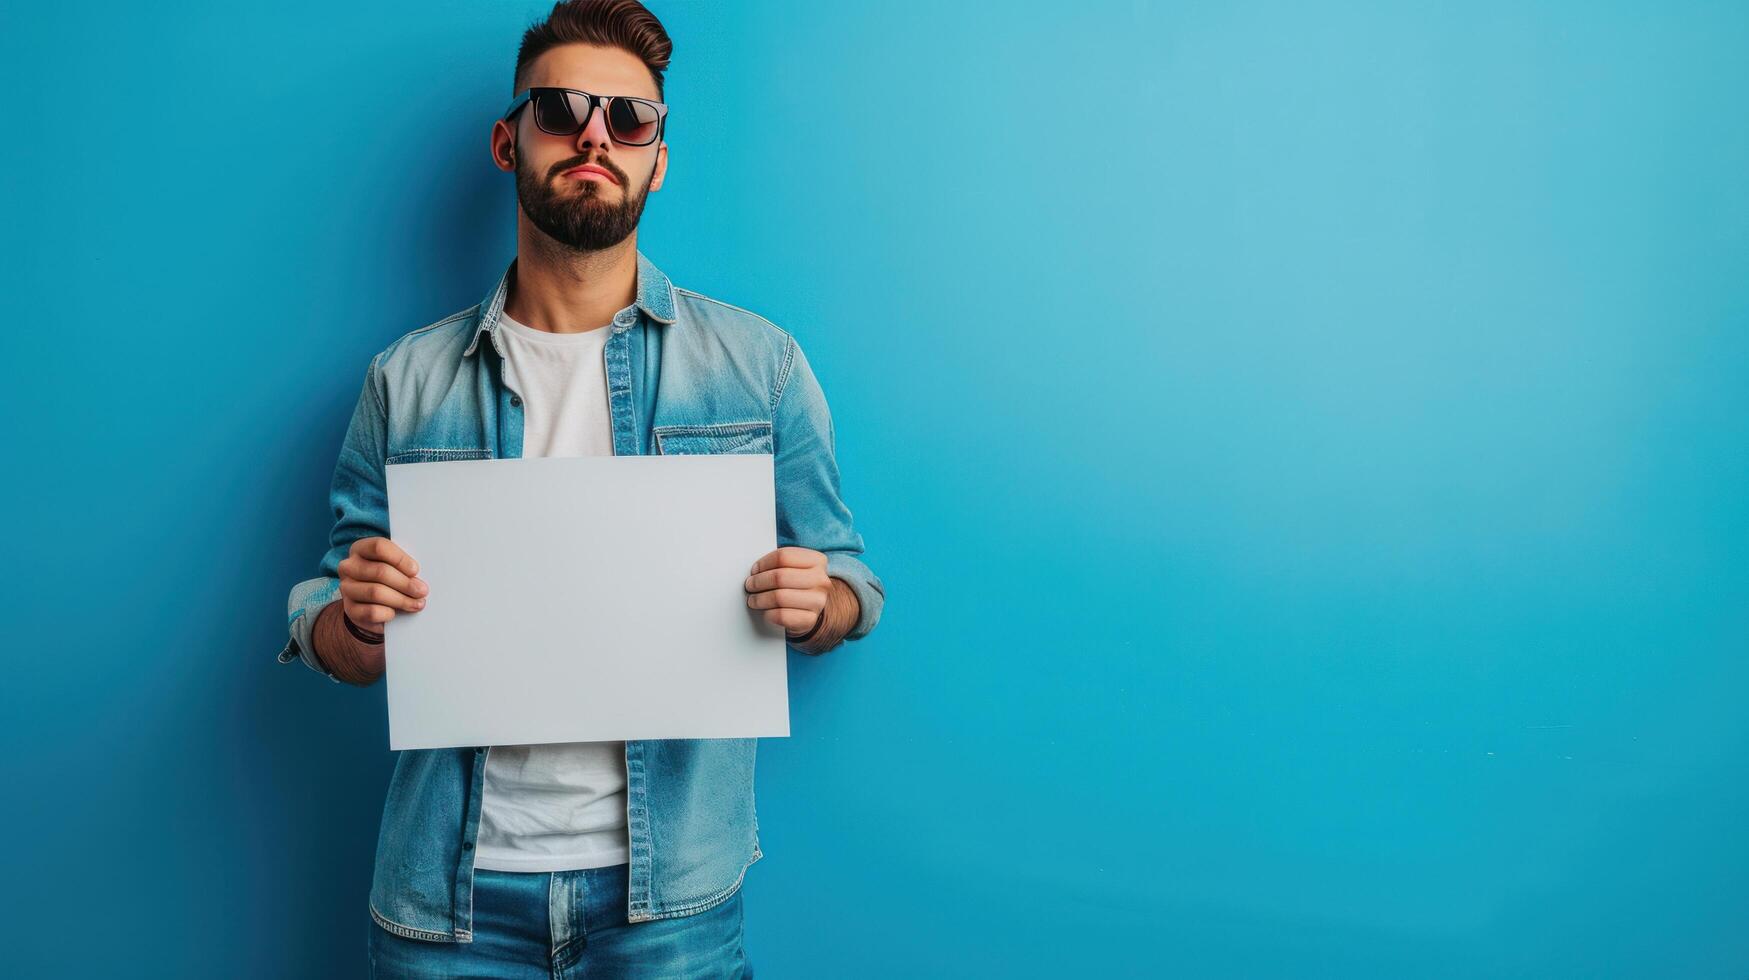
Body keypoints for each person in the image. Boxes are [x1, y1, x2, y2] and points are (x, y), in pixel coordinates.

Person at [273, 1, 885, 975]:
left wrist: (823, 601)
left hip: (672, 902)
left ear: (658, 159)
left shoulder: (758, 366)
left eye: (630, 120)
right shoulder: (405, 379)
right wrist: (354, 619)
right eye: (561, 108)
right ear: (507, 140)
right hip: (447, 904)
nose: (595, 134)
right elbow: (332, 616)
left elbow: (853, 583)